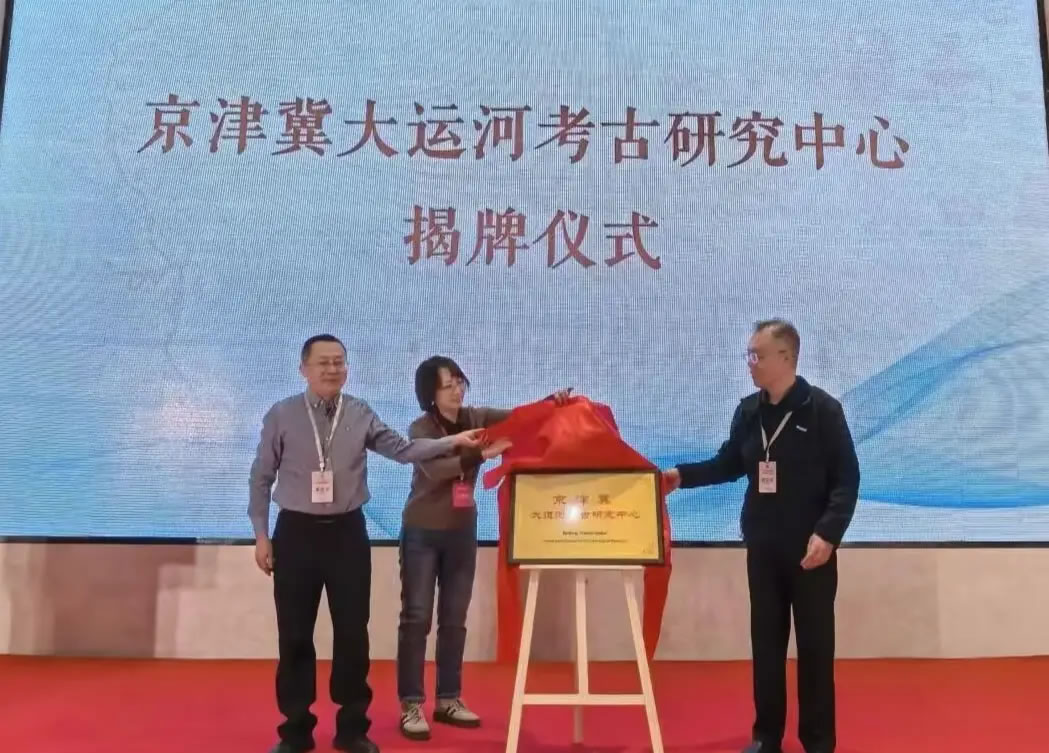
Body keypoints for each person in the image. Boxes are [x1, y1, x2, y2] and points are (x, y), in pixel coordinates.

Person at [249, 335, 484, 753]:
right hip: (296, 533)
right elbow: (261, 478)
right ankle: (296, 730)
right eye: (323, 362)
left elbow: (404, 451)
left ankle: (353, 729)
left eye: (339, 362)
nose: (332, 369)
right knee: (295, 634)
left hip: (347, 534)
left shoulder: (359, 413)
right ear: (303, 369)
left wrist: (453, 441)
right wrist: (262, 535)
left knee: (353, 634)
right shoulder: (281, 414)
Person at [662, 320, 859, 753]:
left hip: (811, 551)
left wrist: (828, 534)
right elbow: (729, 463)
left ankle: (818, 740)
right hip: (764, 547)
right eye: (748, 355)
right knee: (766, 645)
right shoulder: (749, 411)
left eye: (758, 355)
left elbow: (847, 479)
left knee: (815, 647)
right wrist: (682, 476)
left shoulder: (823, 410)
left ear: (786, 358)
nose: (750, 363)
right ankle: (766, 736)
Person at [395, 356, 570, 740]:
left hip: (462, 531)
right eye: (447, 385)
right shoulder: (420, 428)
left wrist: (551, 403)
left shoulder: (476, 417)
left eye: (459, 381)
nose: (457, 390)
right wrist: (481, 454)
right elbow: (436, 470)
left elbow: (520, 418)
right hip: (422, 531)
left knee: (454, 619)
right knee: (416, 618)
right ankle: (411, 703)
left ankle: (448, 698)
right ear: (430, 393)